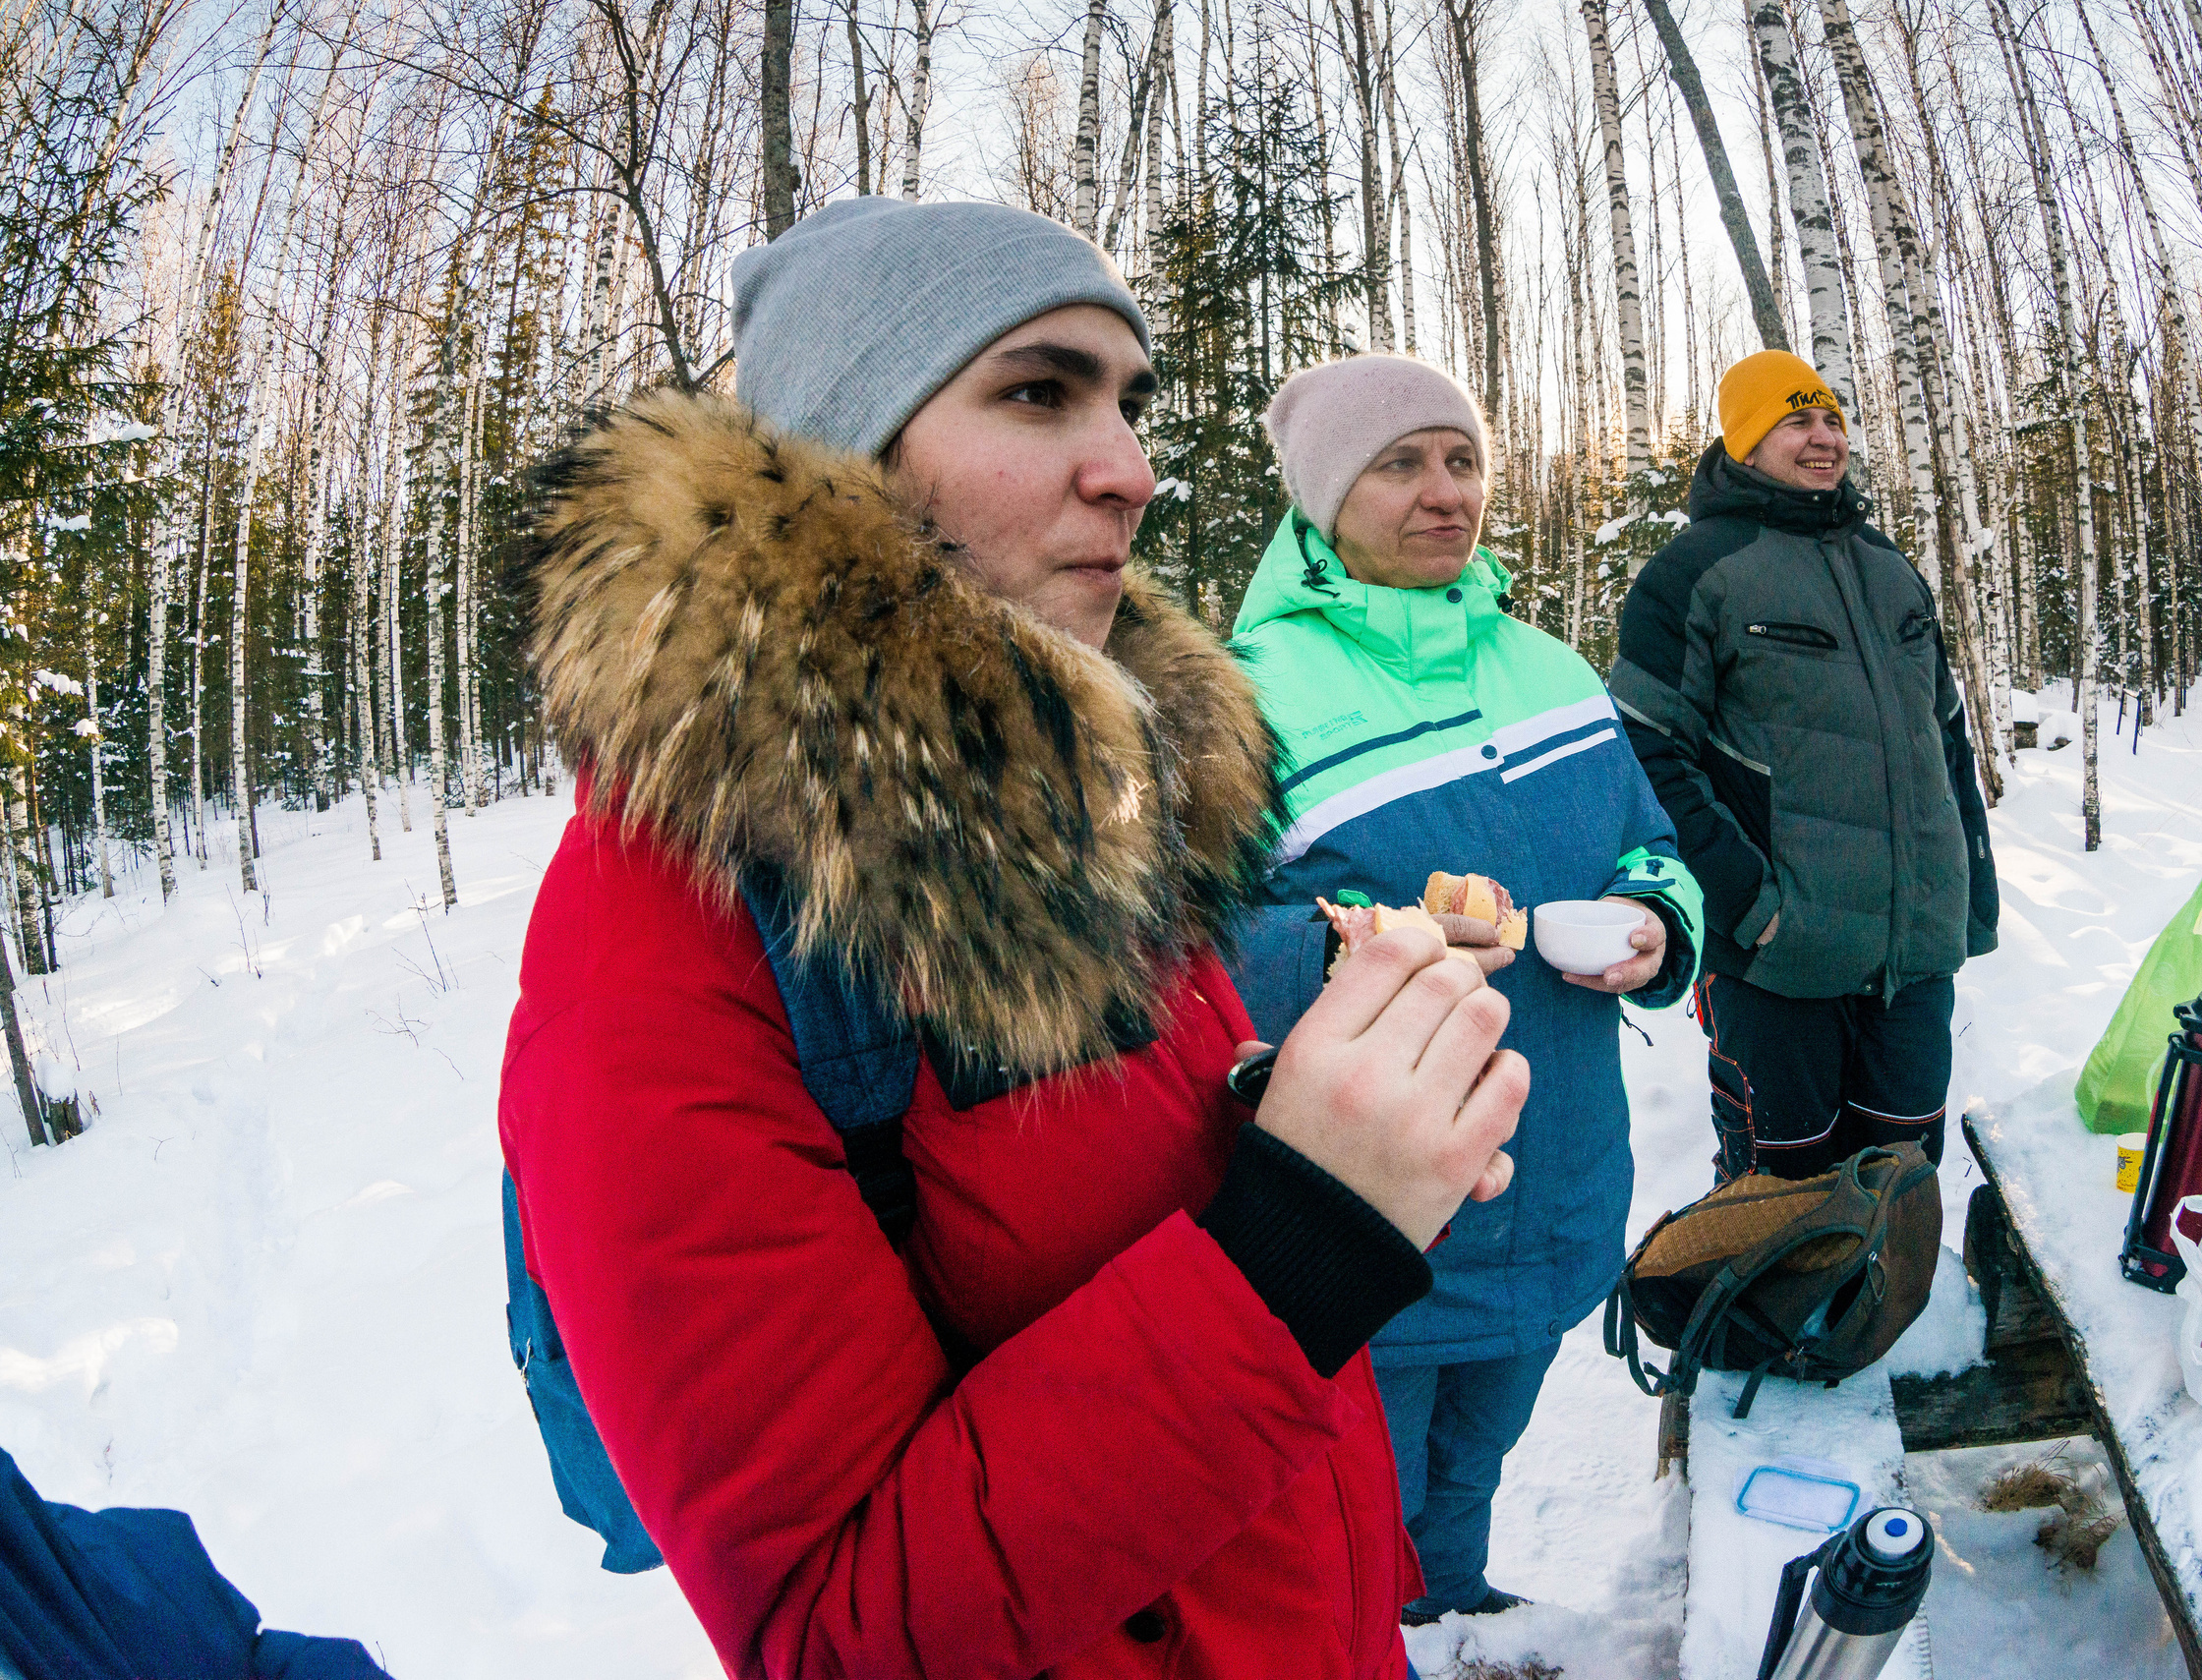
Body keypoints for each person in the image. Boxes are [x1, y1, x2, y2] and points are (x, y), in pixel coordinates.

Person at [499, 200, 1532, 1680]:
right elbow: (836, 1629)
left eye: (1126, 401)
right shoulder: (664, 936)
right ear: (831, 461)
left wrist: (1296, 1124)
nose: (1131, 470)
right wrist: (1300, 1236)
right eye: (1039, 394)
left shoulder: (1094, 780)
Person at [1226, 354, 1704, 1626]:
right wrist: (1348, 955)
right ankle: (1371, 1638)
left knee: (1477, 1455)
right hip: (1380, 1201)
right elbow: (1190, 947)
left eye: (1461, 459)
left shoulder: (1547, 665)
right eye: (1400, 465)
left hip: (1558, 1171)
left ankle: (1454, 1606)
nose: (1446, 493)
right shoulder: (1250, 698)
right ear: (1327, 497)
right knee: (1347, 1493)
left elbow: (1648, 843)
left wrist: (1658, 922)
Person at [1610, 349, 1997, 1186]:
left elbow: (1947, 739)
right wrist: (1750, 906)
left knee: (1897, 1184)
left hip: (1911, 962)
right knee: (1779, 1198)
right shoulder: (1693, 574)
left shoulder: (1889, 568)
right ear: (1746, 442)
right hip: (1779, 966)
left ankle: (1876, 1321)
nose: (1823, 438)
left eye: (1832, 419)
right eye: (1796, 420)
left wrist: (1970, 891)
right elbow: (1644, 751)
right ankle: (1763, 1323)